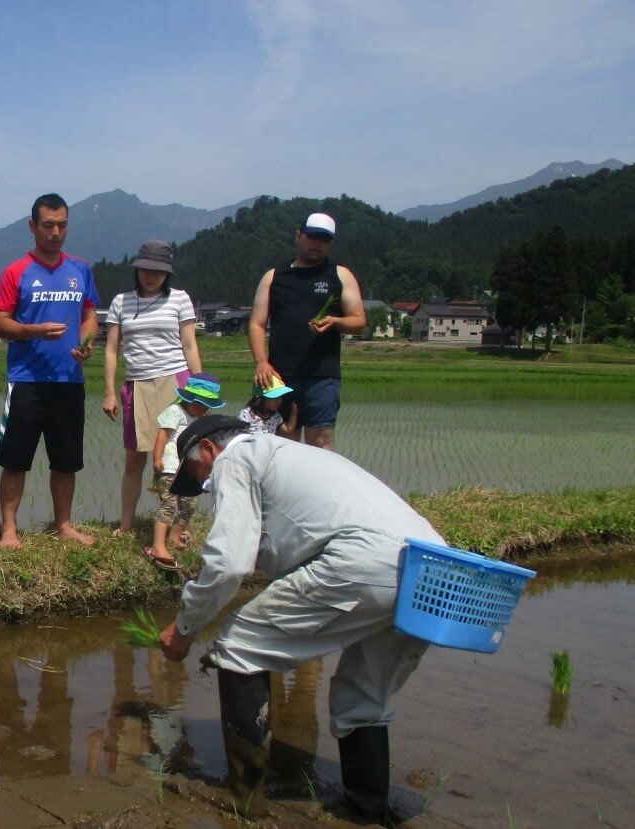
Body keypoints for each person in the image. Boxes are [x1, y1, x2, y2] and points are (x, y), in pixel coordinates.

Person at [158, 415, 445, 822]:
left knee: (240, 643)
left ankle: (245, 795)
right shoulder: (294, 456)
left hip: (364, 560)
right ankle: (366, 810)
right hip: (429, 570)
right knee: (362, 695)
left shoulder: (236, 459)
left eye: (199, 476)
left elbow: (227, 565)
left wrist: (184, 628)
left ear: (209, 449)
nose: (206, 487)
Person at [0, 193, 99, 548]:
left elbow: (89, 313)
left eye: (62, 225)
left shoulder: (80, 269)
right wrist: (32, 331)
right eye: (48, 225)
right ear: (33, 226)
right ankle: (9, 528)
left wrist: (87, 341)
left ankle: (63, 524)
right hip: (27, 381)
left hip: (69, 379)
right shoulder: (16, 272)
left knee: (66, 459)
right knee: (16, 458)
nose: (55, 232)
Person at [102, 240, 201, 535]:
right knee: (135, 457)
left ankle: (178, 524)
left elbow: (189, 345)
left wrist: (200, 388)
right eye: (146, 269)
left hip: (176, 383)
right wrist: (109, 392)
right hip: (138, 384)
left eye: (158, 271)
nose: (151, 276)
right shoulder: (122, 302)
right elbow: (111, 350)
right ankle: (127, 523)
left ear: (167, 273)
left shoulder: (180, 299)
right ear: (137, 269)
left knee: (180, 454)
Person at [248, 212, 366, 451]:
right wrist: (261, 362)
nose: (317, 243)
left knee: (321, 442)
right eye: (312, 236)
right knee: (281, 442)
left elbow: (359, 320)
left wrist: (335, 322)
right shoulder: (274, 276)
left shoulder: (340, 275)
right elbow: (256, 324)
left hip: (322, 375)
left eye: (324, 239)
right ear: (298, 236)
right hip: (279, 376)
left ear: (330, 243)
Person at [147, 373, 222, 567]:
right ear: (189, 399)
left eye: (207, 406)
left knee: (189, 505)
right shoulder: (175, 411)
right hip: (170, 467)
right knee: (169, 505)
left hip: (187, 470)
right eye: (200, 404)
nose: (203, 409)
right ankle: (157, 545)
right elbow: (163, 435)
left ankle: (174, 537)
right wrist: (157, 458)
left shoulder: (199, 418)